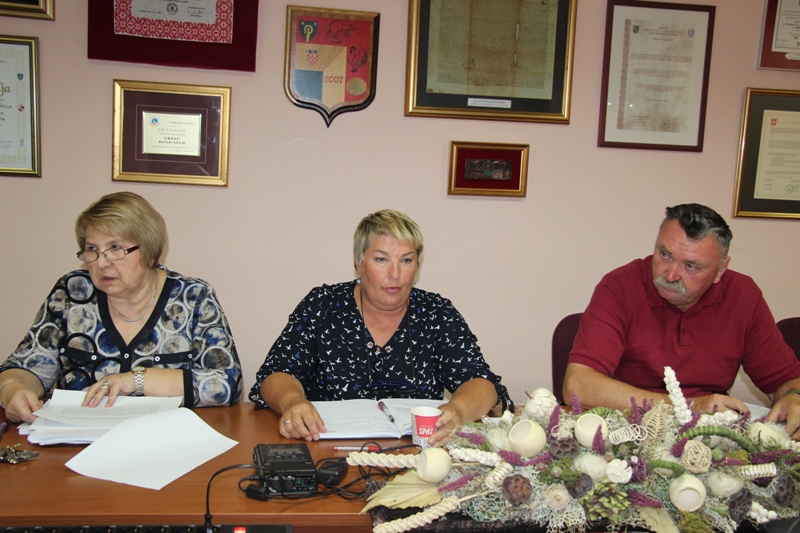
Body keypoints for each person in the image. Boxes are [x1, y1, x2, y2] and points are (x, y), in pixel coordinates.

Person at [250, 209, 512, 445]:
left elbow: (482, 383)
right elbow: (276, 373)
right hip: (327, 450)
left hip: (419, 452)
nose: (395, 274)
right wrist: (293, 402)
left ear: (417, 265)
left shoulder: (436, 313)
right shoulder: (323, 306)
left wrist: (458, 411)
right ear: (359, 262)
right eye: (381, 260)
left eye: (406, 260)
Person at [0, 192, 242, 424]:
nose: (101, 263)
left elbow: (227, 383)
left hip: (165, 439)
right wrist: (13, 388)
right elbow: (24, 367)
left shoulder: (192, 296)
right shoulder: (72, 293)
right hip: (78, 440)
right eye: (92, 249)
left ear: (149, 252)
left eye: (115, 248)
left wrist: (137, 380)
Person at [563, 203, 800, 439]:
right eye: (665, 255)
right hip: (627, 429)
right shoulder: (620, 287)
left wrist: (793, 397)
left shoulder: (743, 295)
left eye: (691, 266)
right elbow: (578, 386)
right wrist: (686, 406)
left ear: (720, 270)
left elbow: (788, 380)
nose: (670, 275)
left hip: (709, 435)